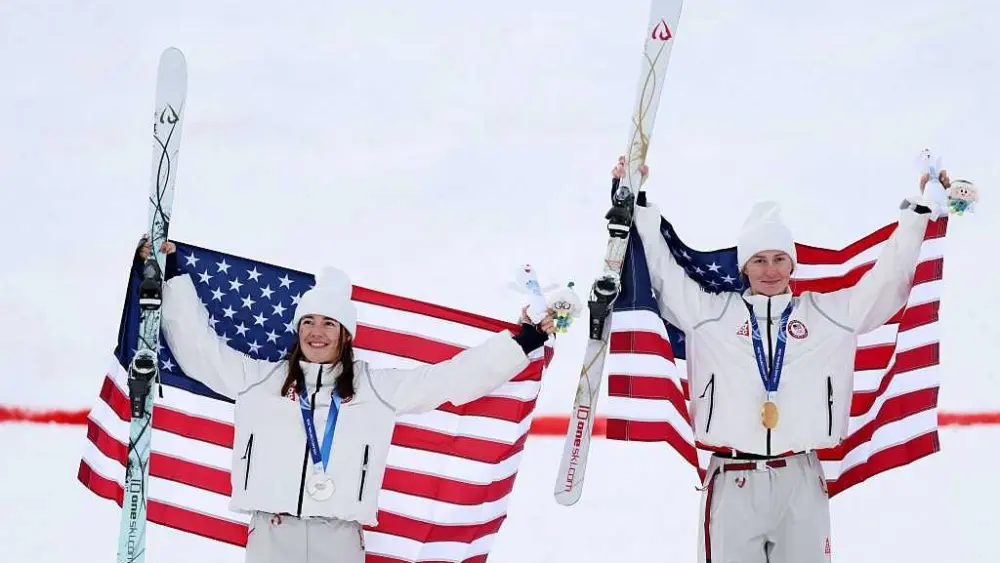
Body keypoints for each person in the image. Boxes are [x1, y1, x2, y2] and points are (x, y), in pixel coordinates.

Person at [135, 241, 556, 563]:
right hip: (270, 531)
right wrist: (170, 276)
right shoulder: (260, 379)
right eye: (309, 322)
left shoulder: (375, 389)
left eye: (328, 323)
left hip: (338, 537)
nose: (317, 332)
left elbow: (447, 379)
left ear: (346, 333)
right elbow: (199, 353)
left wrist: (523, 343)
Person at [622, 156, 947, 563]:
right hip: (733, 478)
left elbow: (888, 281)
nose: (770, 270)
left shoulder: (828, 313)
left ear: (792, 264)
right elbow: (663, 275)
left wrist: (919, 218)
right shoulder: (712, 313)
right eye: (759, 260)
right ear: (744, 266)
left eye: (779, 259)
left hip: (801, 479)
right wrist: (639, 204)